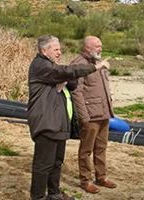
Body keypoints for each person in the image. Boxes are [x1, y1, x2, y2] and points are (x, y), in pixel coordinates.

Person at [27, 35, 109, 200]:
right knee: (43, 165)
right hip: (46, 123)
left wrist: (65, 80)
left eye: (60, 49)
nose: (59, 52)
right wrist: (96, 67)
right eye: (56, 49)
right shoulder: (40, 65)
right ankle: (37, 197)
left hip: (59, 123)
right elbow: (66, 72)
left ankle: (54, 193)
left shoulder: (52, 68)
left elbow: (71, 82)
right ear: (44, 50)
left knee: (57, 162)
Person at [71, 36, 117, 194]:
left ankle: (101, 177)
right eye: (97, 46)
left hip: (104, 114)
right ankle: (85, 180)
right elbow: (76, 92)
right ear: (87, 48)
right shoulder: (79, 64)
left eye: (101, 46)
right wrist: (84, 116)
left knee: (101, 147)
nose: (100, 48)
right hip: (90, 115)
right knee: (86, 150)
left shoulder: (100, 63)